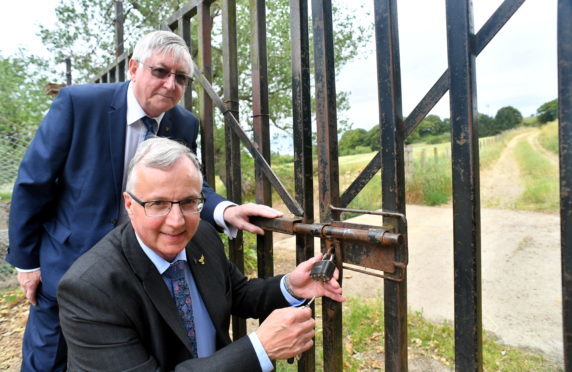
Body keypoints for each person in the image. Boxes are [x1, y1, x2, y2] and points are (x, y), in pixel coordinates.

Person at [7, 30, 283, 371]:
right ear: (134, 68)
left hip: (139, 266)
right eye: (160, 72)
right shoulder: (79, 103)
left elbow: (188, 184)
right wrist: (27, 263)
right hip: (67, 261)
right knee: (48, 358)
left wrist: (226, 210)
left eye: (181, 78)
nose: (170, 85)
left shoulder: (183, 122)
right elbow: (34, 182)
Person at [57, 137, 345, 371]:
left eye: (188, 202)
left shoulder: (202, 235)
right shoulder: (89, 289)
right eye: (157, 204)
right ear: (129, 205)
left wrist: (291, 286)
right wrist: (260, 348)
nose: (177, 221)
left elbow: (236, 293)